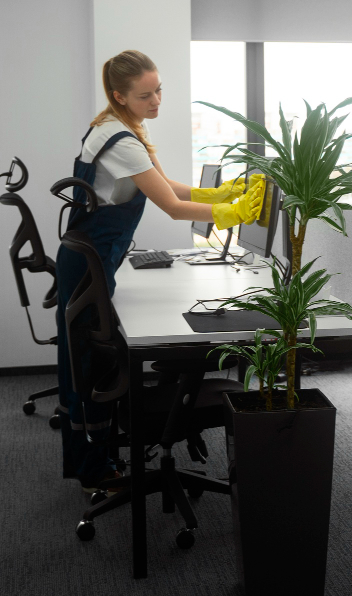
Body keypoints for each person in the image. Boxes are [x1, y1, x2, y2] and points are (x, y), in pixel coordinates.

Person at [57, 50, 264, 493]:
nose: (156, 101)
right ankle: (97, 470)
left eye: (159, 90)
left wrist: (219, 191)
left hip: (92, 257)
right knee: (89, 365)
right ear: (120, 95)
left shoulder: (114, 125)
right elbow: (170, 206)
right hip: (89, 265)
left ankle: (100, 460)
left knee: (90, 360)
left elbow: (164, 183)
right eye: (146, 95)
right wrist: (232, 212)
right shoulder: (123, 140)